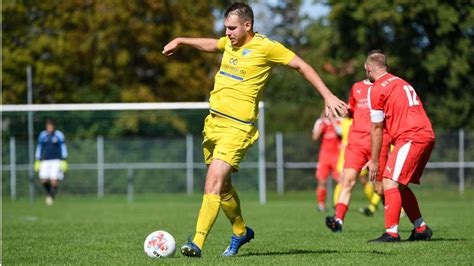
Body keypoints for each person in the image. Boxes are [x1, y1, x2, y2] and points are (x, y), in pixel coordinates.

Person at [162, 2, 347, 257]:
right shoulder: (229, 42)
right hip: (213, 123)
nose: (227, 33)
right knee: (223, 187)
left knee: (213, 183)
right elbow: (211, 45)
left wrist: (327, 95)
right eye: (225, 28)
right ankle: (240, 232)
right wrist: (181, 40)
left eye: (232, 28)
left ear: (247, 25)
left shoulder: (266, 47)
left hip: (238, 129)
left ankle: (196, 243)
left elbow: (301, 66)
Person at [366, 50, 435, 242]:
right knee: (400, 186)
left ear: (368, 69)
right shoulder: (401, 82)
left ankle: (391, 233)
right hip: (425, 134)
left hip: (411, 136)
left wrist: (374, 160)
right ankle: (421, 229)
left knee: (389, 181)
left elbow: (377, 128)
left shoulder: (376, 88)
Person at [325, 79, 390, 232]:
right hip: (357, 143)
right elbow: (351, 112)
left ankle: (394, 220)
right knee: (347, 181)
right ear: (368, 68)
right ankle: (338, 221)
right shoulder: (357, 87)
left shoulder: (387, 86)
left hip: (379, 142)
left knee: (380, 189)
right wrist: (340, 108)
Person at [34, 119, 68, 206]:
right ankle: (50, 193)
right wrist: (37, 159)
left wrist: (64, 159)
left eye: (51, 126)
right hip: (44, 161)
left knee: (54, 179)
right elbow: (39, 147)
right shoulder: (42, 135)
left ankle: (50, 197)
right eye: (48, 126)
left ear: (54, 126)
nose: (50, 128)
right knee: (43, 180)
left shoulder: (59, 135)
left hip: (56, 161)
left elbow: (63, 147)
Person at [312, 114, 342, 212]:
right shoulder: (320, 122)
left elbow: (342, 133)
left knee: (340, 180)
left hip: (337, 155)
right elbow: (315, 137)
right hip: (324, 156)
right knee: (322, 181)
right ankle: (321, 205)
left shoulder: (339, 120)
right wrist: (321, 128)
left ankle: (338, 204)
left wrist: (332, 122)